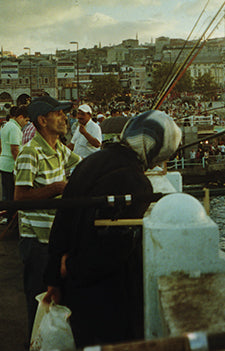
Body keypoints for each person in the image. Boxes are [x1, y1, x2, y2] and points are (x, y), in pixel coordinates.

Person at [44, 110, 182, 346]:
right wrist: (72, 268)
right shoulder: (138, 184)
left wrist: (54, 276)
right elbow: (113, 249)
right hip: (103, 296)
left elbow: (63, 219)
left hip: (72, 287)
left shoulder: (91, 161)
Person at [14, 96, 81, 323]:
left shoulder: (58, 148)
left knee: (57, 303)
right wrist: (58, 188)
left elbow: (83, 165)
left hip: (54, 239)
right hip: (36, 244)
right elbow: (20, 198)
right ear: (43, 121)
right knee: (40, 305)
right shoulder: (30, 152)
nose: (65, 118)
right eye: (58, 114)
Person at [0, 105, 29, 203]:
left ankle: (6, 211)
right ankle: (9, 212)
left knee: (6, 195)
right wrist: (20, 166)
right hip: (10, 166)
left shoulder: (7, 125)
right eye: (26, 120)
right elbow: (15, 150)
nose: (26, 123)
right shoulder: (14, 128)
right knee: (11, 195)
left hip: (4, 164)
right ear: (20, 117)